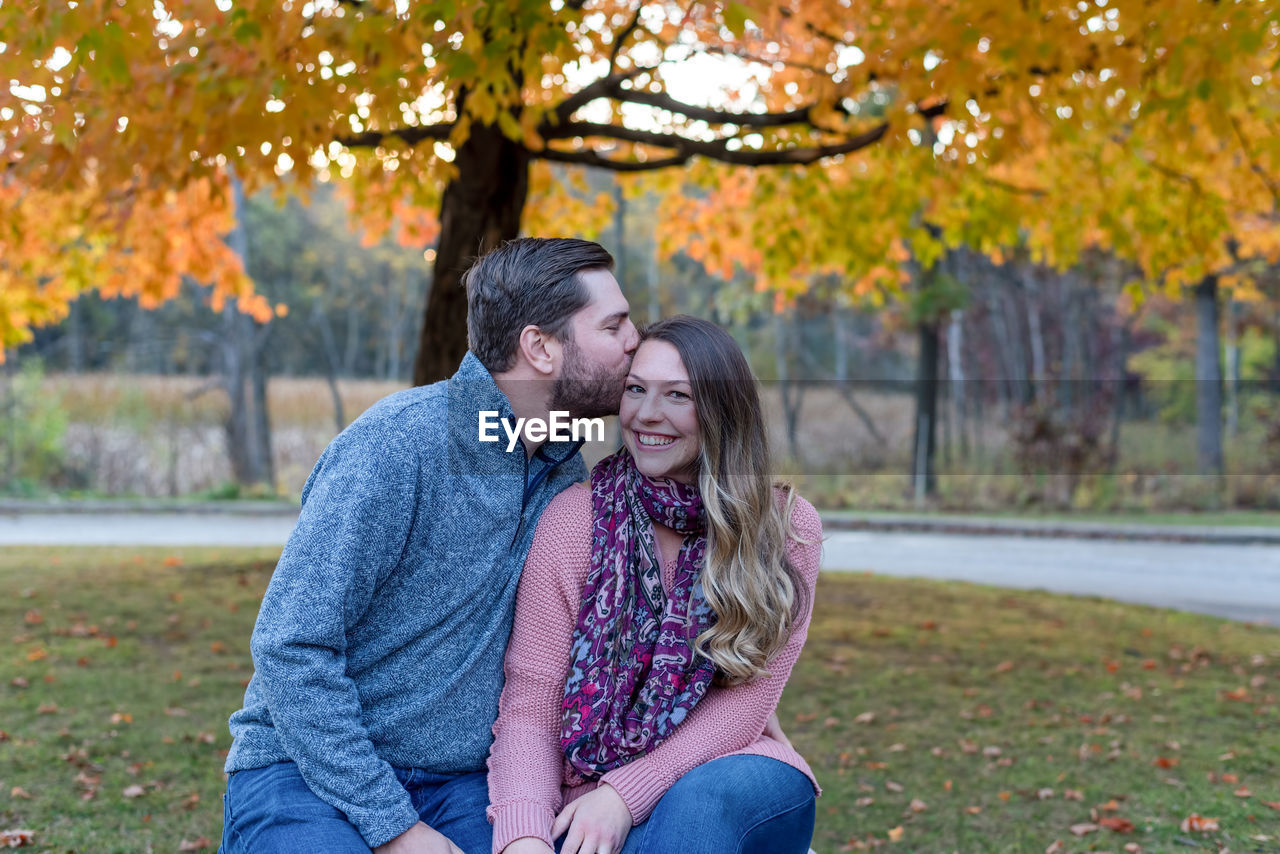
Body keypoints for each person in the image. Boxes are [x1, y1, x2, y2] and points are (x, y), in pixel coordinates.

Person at [218, 238, 639, 854]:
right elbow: (291, 646)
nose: (635, 339)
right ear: (540, 348)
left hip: (463, 786)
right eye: (614, 325)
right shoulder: (397, 447)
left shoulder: (563, 474)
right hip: (303, 772)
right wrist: (395, 829)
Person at [487, 315, 823, 854]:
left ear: (720, 410)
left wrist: (623, 795)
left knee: (696, 810)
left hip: (729, 770)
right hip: (588, 790)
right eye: (636, 389)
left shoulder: (783, 528)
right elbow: (532, 701)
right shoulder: (574, 522)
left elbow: (747, 703)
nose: (647, 414)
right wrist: (523, 835)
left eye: (678, 396)